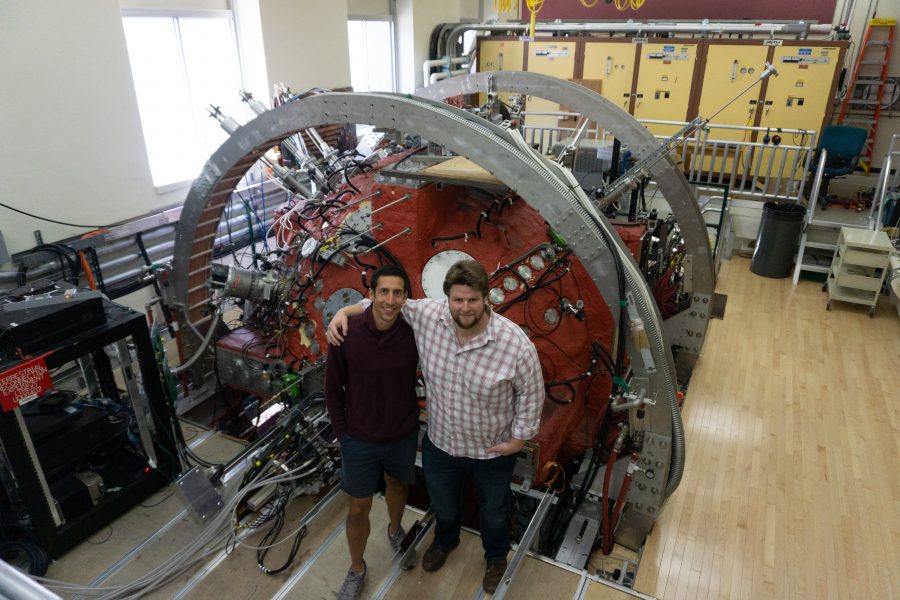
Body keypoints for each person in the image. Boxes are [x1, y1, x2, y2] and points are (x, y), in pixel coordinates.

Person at [327, 260, 544, 594]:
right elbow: (385, 301)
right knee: (443, 503)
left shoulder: (514, 343)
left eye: (473, 300)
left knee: (495, 510)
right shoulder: (430, 316)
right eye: (458, 300)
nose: (465, 307)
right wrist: (345, 313)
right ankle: (445, 540)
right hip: (441, 444)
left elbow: (531, 393)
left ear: (488, 299)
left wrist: (518, 441)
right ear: (447, 300)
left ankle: (496, 556)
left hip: (491, 451)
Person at [325, 265, 420, 600]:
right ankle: (357, 569)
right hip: (359, 438)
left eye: (397, 293)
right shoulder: (346, 333)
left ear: (405, 298)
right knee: (358, 507)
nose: (390, 300)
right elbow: (333, 389)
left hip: (402, 433)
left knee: (398, 486)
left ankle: (396, 531)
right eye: (384, 292)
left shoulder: (413, 333)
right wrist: (342, 434)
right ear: (371, 295)